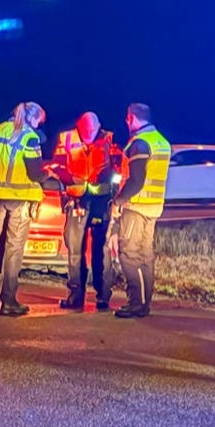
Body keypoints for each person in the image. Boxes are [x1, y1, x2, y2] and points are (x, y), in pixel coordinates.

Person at [0, 101, 52, 317]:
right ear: (32, 118)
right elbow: (35, 174)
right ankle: (8, 301)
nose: (38, 126)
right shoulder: (29, 137)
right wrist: (48, 174)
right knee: (14, 249)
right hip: (18, 198)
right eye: (39, 122)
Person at [52, 111, 122, 310]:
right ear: (78, 126)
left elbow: (119, 166)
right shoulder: (66, 138)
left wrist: (109, 179)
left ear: (99, 126)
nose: (89, 133)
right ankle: (75, 295)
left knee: (102, 249)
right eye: (85, 130)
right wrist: (69, 179)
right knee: (74, 249)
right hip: (76, 200)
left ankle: (103, 297)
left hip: (101, 200)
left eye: (93, 129)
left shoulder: (109, 139)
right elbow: (57, 166)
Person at [110, 102, 170, 319]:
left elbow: (136, 181)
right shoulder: (161, 141)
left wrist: (118, 201)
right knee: (145, 256)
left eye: (128, 119)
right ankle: (143, 303)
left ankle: (136, 303)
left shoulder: (140, 142)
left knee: (129, 255)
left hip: (136, 206)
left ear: (132, 118)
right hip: (153, 206)